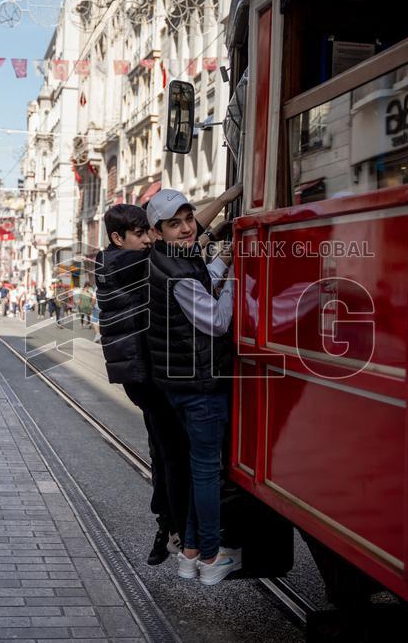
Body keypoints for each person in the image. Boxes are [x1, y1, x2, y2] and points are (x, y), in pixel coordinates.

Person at [147, 187, 241, 585]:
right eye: (176, 224)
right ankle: (211, 555)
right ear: (157, 232)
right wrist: (235, 277)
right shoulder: (177, 270)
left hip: (181, 381)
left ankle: (188, 554)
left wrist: (220, 262)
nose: (187, 228)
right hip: (199, 383)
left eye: (188, 219)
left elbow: (200, 280)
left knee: (196, 466)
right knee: (206, 471)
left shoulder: (172, 258)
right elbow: (216, 320)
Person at [96, 204, 191, 566]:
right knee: (173, 452)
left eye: (149, 232)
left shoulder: (111, 259)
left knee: (161, 449)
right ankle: (177, 530)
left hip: (139, 375)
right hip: (146, 375)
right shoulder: (126, 262)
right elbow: (184, 242)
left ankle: (166, 526)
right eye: (140, 234)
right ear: (118, 238)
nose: (149, 239)